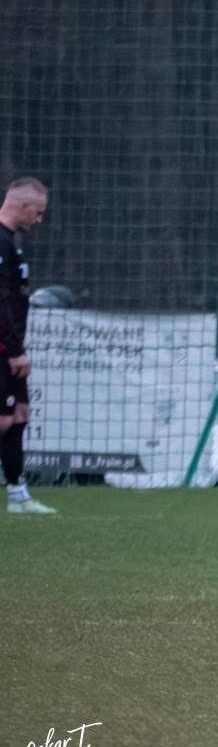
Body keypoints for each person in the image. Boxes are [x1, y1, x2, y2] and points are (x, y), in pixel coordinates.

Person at [1, 177, 53, 515]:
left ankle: (19, 496)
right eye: (37, 212)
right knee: (3, 419)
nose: (39, 219)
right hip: (3, 348)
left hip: (12, 345)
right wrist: (14, 350)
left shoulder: (12, 243)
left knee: (19, 416)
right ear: (21, 206)